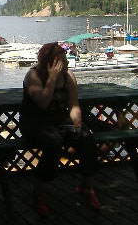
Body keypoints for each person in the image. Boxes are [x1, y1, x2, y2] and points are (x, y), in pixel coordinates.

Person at [19, 42, 100, 217]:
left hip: (58, 121)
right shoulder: (32, 75)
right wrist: (52, 78)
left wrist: (77, 124)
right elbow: (42, 103)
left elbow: (73, 105)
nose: (66, 62)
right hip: (35, 123)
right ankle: (40, 194)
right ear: (51, 62)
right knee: (52, 143)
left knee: (86, 137)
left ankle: (88, 187)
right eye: (62, 59)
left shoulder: (69, 76)